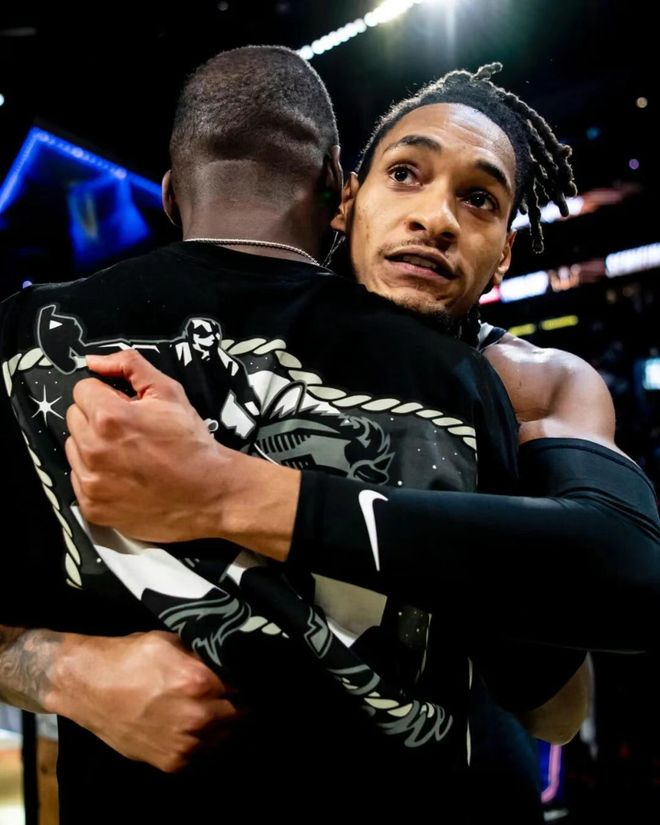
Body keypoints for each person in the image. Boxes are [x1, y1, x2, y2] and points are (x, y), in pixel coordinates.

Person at [0, 47, 574, 823]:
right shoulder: (465, 381)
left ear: (169, 194)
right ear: (340, 188)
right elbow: (547, 700)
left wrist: (68, 673)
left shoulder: (20, 337)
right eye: (406, 175)